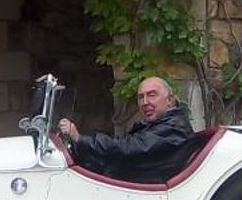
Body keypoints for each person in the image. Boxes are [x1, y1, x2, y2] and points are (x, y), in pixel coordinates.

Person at [57, 76, 195, 180]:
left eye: (152, 95)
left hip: (144, 191)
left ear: (169, 101)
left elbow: (127, 148)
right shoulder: (161, 124)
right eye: (141, 97)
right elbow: (127, 145)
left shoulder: (174, 127)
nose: (145, 102)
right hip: (137, 181)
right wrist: (81, 145)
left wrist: (80, 139)